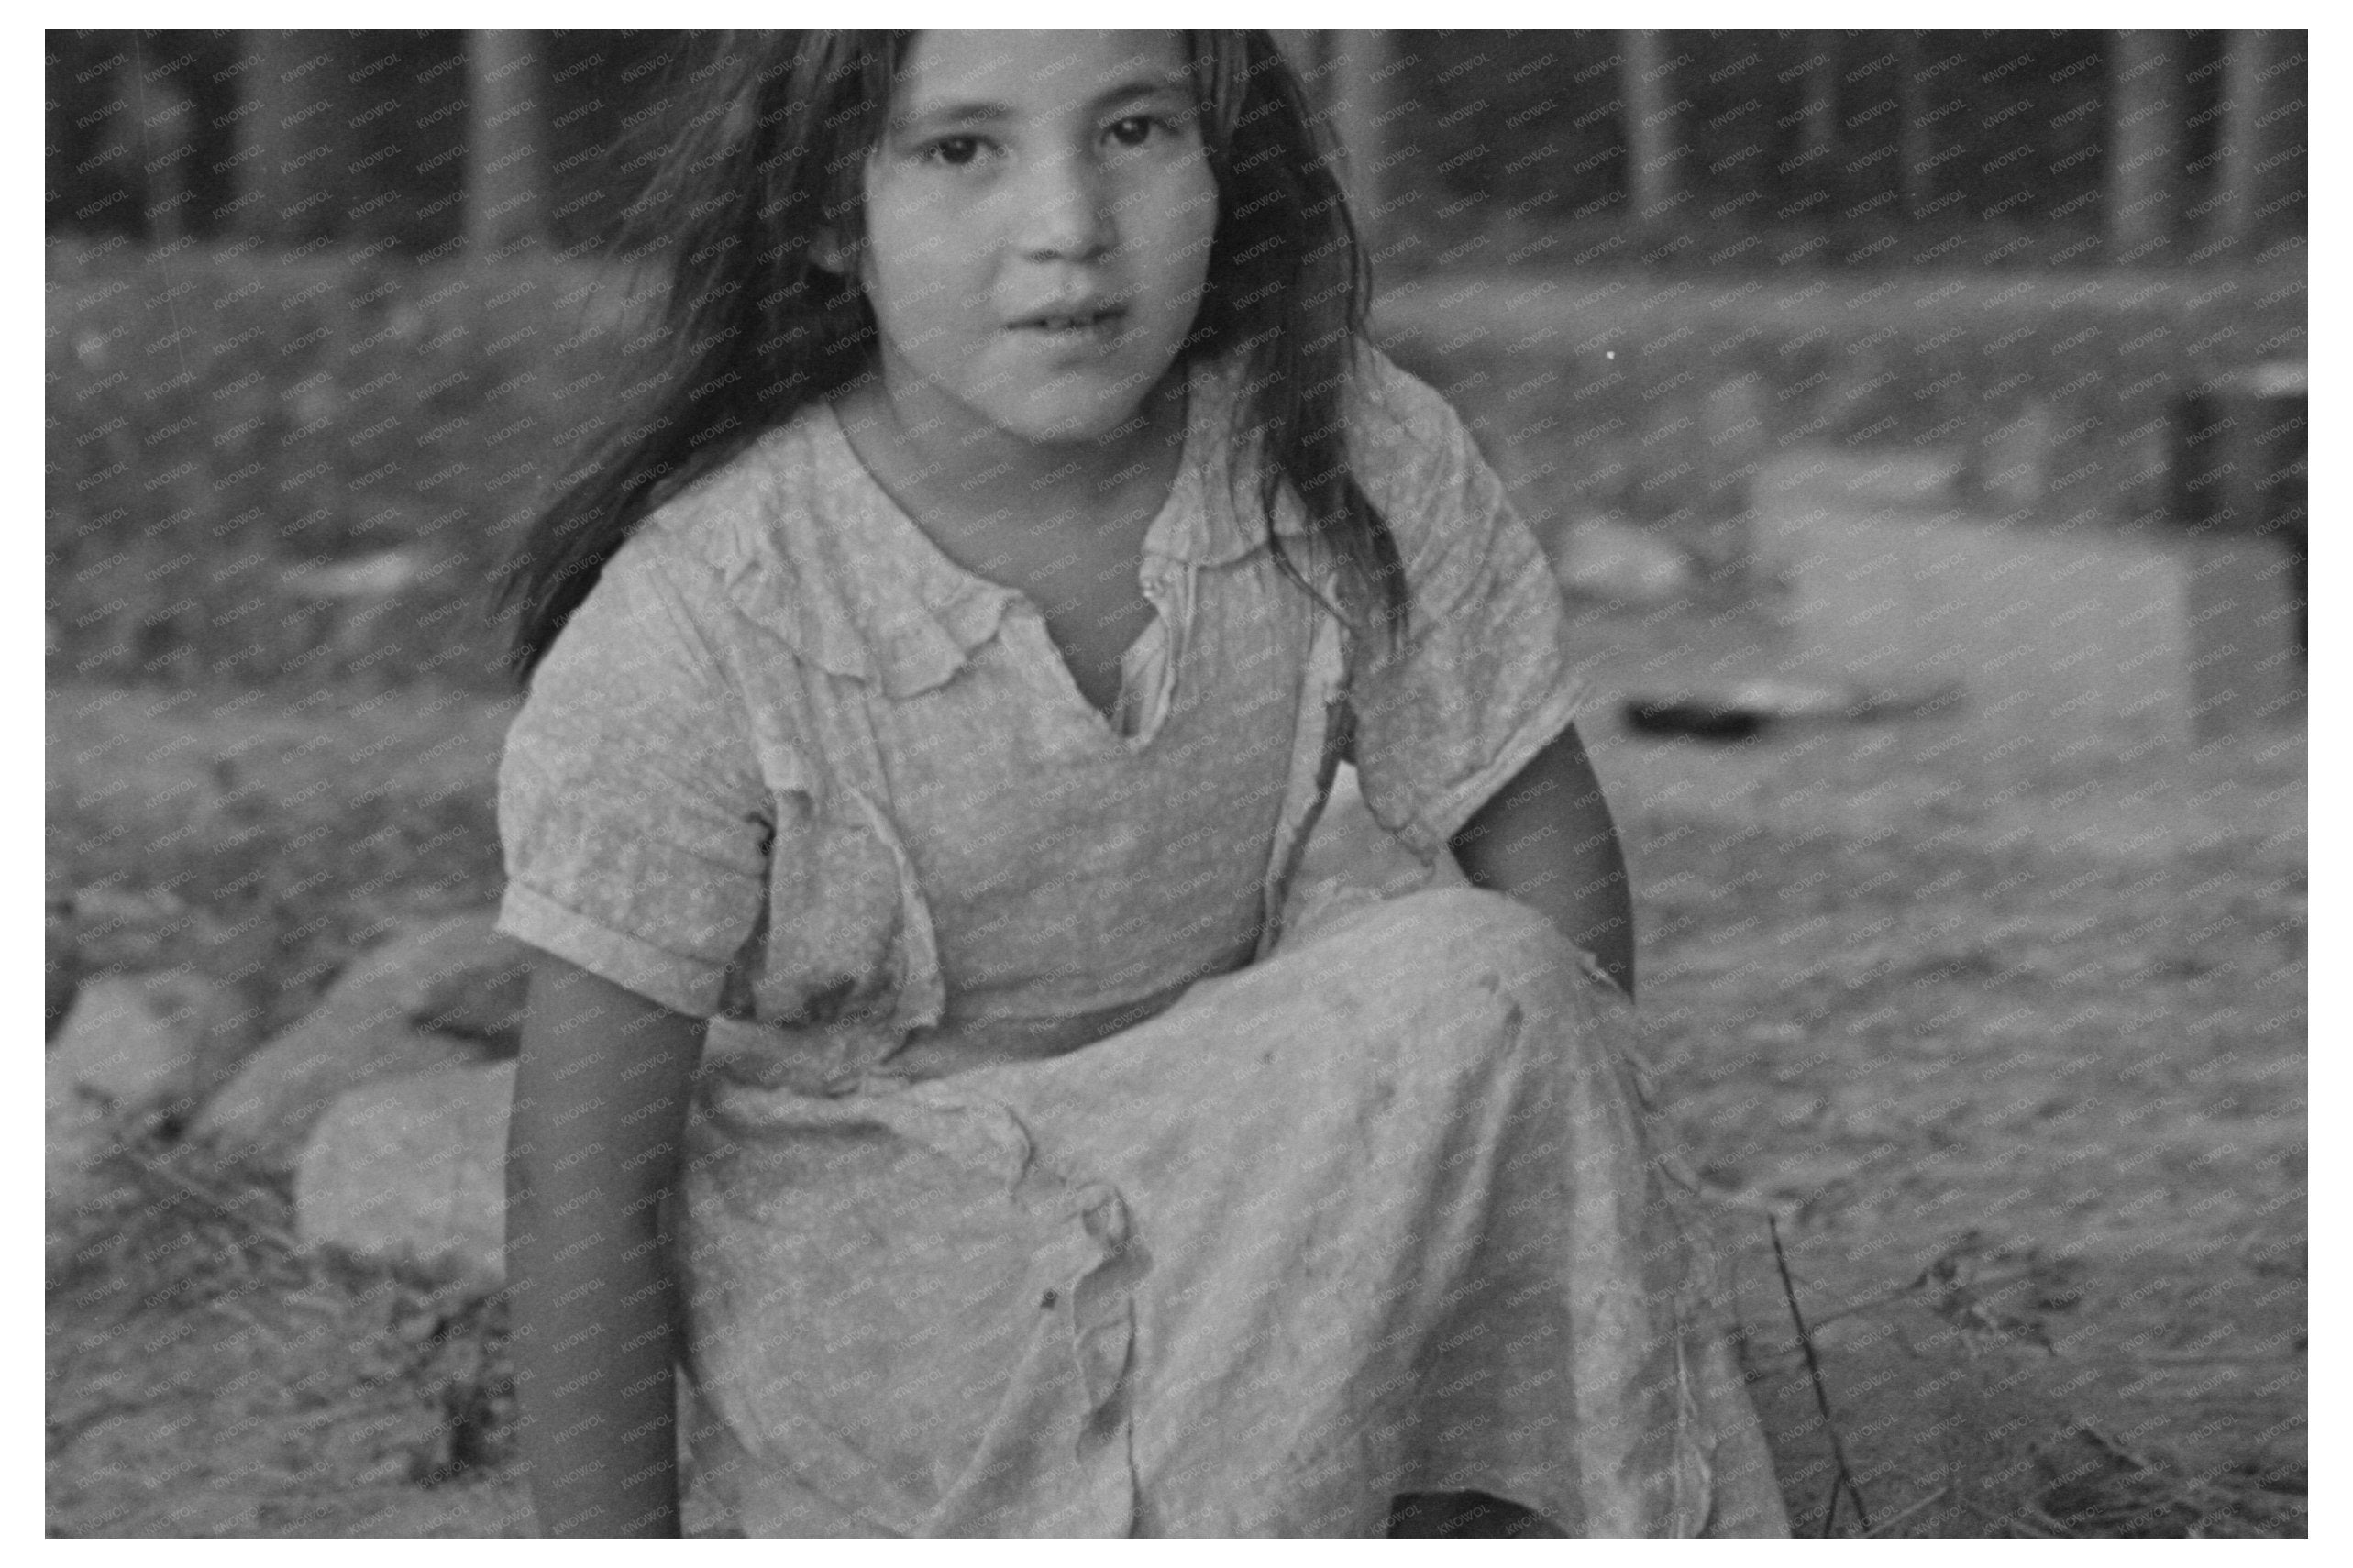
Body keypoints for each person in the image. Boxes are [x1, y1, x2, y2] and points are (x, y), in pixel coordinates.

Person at [492, 29, 1787, 1539]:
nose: (1069, 228)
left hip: (1224, 1197)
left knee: (1483, 973)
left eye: (1134, 130)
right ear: (828, 218)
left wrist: (1534, 1228)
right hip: (889, 1308)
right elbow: (579, 1173)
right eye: (960, 149)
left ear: (1228, 159)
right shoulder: (714, 605)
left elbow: (1544, 871)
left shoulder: (1336, 451)